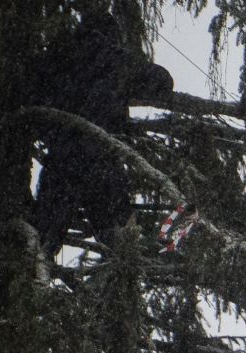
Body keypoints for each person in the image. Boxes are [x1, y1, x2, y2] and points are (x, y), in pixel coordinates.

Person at [27, 11, 175, 255]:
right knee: (120, 238)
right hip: (101, 156)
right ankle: (122, 269)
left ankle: (34, 269)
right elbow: (161, 81)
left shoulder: (57, 59)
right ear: (113, 36)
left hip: (62, 157)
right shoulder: (116, 59)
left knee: (42, 239)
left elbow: (29, 97)